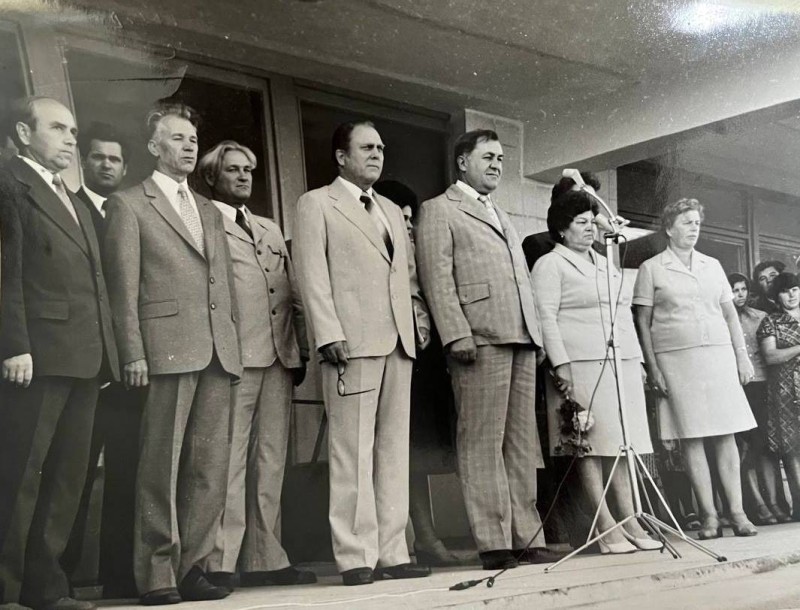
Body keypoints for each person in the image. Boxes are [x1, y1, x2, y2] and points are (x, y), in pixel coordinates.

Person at [103, 102, 242, 605]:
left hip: (216, 353)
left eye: (193, 140)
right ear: (153, 146)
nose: (188, 146)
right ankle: (156, 571)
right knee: (159, 466)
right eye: (177, 138)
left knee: (209, 468)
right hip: (164, 351)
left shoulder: (208, 209)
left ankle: (193, 569)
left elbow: (223, 283)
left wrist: (233, 345)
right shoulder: (128, 204)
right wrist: (132, 352)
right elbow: (123, 288)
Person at [415, 129, 563, 571]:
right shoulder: (439, 209)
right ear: (463, 162)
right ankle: (493, 540)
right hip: (479, 338)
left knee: (521, 444)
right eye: (487, 157)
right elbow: (436, 277)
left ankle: (525, 535)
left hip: (520, 338)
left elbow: (520, 280)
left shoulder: (500, 212)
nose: (497, 164)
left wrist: (536, 335)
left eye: (500, 158)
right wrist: (455, 333)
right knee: (481, 441)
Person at [293, 121, 431, 587]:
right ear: (341, 156)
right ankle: (355, 555)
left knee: (392, 451)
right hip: (349, 345)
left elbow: (406, 277)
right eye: (367, 147)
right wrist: (327, 333)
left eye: (381, 148)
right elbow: (311, 275)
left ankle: (393, 551)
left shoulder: (390, 208)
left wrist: (417, 322)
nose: (377, 154)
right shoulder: (316, 203)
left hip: (398, 344)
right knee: (352, 451)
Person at [0, 96, 119, 610]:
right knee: (21, 475)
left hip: (84, 358)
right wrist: (13, 345)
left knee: (67, 478)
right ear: (24, 134)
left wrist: (108, 353)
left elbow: (95, 282)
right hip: (37, 358)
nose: (71, 138)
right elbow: (4, 272)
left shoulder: (70, 195)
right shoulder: (8, 185)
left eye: (73, 130)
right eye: (57, 128)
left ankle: (44, 588)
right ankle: (4, 591)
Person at [197, 141, 314, 589]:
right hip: (234, 359)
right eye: (233, 170)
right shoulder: (203, 222)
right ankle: (220, 561)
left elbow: (292, 293)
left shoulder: (268, 228)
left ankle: (266, 557)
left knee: (270, 461)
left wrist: (300, 348)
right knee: (228, 461)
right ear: (212, 176)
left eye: (248, 169)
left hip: (278, 357)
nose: (244, 176)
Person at [532, 189, 659, 554]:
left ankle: (629, 518)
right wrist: (560, 364)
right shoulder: (550, 264)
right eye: (580, 222)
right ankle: (605, 526)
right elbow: (545, 318)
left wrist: (637, 360)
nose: (590, 228)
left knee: (619, 443)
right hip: (579, 364)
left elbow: (622, 314)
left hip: (619, 363)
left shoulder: (604, 263)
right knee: (589, 444)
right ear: (561, 229)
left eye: (592, 222)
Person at [633, 198, 758, 540]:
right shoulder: (652, 268)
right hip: (676, 361)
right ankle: (709, 516)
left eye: (697, 223)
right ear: (669, 228)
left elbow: (730, 315)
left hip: (718, 357)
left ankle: (738, 513)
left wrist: (741, 357)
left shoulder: (712, 266)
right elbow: (642, 323)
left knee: (726, 433)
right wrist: (653, 367)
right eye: (686, 223)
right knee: (691, 436)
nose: (693, 228)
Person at [62, 121, 143, 598]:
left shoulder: (131, 212)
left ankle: (120, 575)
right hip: (85, 367)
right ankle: (61, 576)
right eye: (97, 157)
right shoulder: (69, 210)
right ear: (83, 161)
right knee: (71, 474)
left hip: (129, 369)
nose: (106, 165)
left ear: (125, 167)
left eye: (114, 159)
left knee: (128, 472)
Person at [373, 180, 463, 567]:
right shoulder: (379, 248)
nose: (408, 225)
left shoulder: (420, 249)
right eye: (401, 217)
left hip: (426, 362)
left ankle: (426, 537)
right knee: (400, 451)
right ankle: (419, 537)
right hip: (392, 356)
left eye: (411, 219)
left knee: (421, 451)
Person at [729, 272, 788, 525]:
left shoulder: (760, 316)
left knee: (764, 445)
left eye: (743, 289)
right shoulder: (721, 319)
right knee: (746, 446)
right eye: (734, 290)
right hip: (736, 388)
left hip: (762, 385)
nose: (739, 295)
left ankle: (773, 503)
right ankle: (758, 505)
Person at [757, 271, 800, 520]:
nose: (791, 295)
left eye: (795, 289)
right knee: (792, 449)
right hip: (785, 393)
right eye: (785, 291)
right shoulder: (770, 322)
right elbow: (771, 356)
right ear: (776, 296)